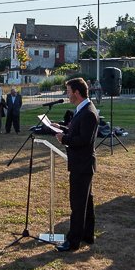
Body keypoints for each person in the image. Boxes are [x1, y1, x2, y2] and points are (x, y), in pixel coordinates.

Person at [53, 78, 98, 253]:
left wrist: (64, 139)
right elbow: (77, 131)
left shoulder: (88, 112)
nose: (67, 94)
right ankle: (87, 234)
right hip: (82, 163)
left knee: (78, 203)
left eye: (68, 91)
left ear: (77, 93)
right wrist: (62, 128)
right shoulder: (83, 109)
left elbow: (84, 140)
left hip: (82, 164)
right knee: (86, 201)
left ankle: (73, 241)